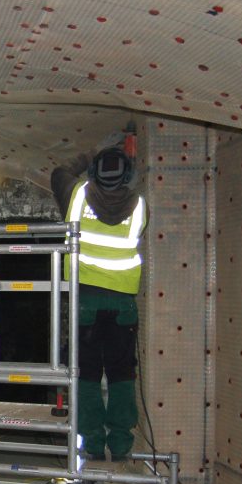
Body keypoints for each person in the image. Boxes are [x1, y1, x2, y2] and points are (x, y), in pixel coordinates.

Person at [51, 136, 148, 461]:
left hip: (85, 301)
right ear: (127, 175)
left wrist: (91, 151)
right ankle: (120, 445)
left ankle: (92, 443)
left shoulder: (77, 195)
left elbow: (60, 172)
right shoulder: (141, 206)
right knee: (122, 374)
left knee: (87, 373)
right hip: (123, 302)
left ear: (93, 172)